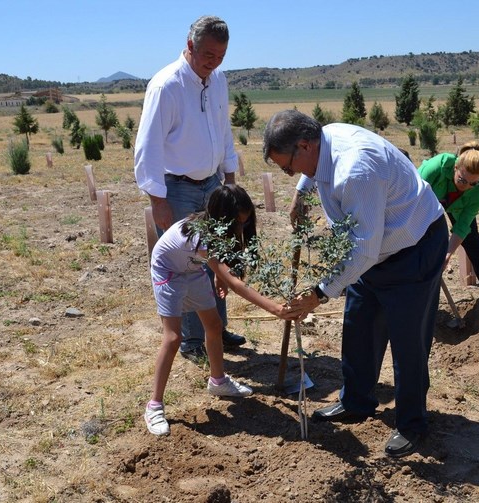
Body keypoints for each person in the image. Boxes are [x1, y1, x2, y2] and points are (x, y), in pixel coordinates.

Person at [263, 110, 448, 458]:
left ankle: (412, 423)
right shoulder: (324, 138)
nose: (290, 174)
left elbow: (364, 251)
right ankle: (357, 402)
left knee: (408, 341)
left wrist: (318, 295)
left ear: (305, 145)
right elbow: (364, 249)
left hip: (413, 247)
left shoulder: (355, 171)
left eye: (288, 168)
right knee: (359, 325)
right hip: (375, 250)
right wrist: (301, 193)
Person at [134, 15, 246, 365]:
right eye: (208, 54)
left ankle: (218, 329)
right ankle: (193, 341)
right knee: (187, 263)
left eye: (221, 55)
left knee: (218, 255)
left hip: (212, 183)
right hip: (176, 188)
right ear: (190, 45)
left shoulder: (218, 80)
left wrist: (230, 176)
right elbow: (148, 146)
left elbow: (222, 129)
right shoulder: (166, 86)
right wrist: (157, 200)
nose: (214, 62)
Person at [145, 185, 299, 436]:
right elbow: (235, 283)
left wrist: (218, 276)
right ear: (222, 218)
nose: (242, 227)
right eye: (238, 222)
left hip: (191, 269)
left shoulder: (214, 232)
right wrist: (275, 308)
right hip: (168, 271)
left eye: (246, 221)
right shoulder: (201, 236)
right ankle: (154, 406)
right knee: (173, 338)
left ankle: (217, 381)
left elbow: (218, 265)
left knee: (215, 326)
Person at [417, 141, 479, 296]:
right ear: (455, 167)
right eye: (462, 180)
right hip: (424, 202)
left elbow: (462, 225)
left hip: (456, 208)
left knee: (472, 239)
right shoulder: (438, 167)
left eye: (472, 183)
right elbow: (413, 196)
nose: (466, 186)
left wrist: (448, 255)